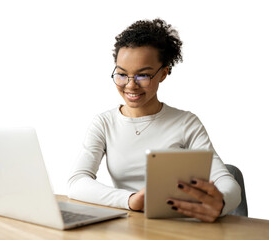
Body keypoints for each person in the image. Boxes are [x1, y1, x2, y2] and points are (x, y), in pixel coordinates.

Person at [68, 18, 241, 222]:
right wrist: (131, 200)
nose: (130, 86)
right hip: (128, 227)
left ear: (163, 73)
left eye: (143, 76)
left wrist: (220, 203)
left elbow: (227, 183)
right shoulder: (104, 123)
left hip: (181, 226)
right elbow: (77, 182)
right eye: (122, 74)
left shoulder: (186, 123)